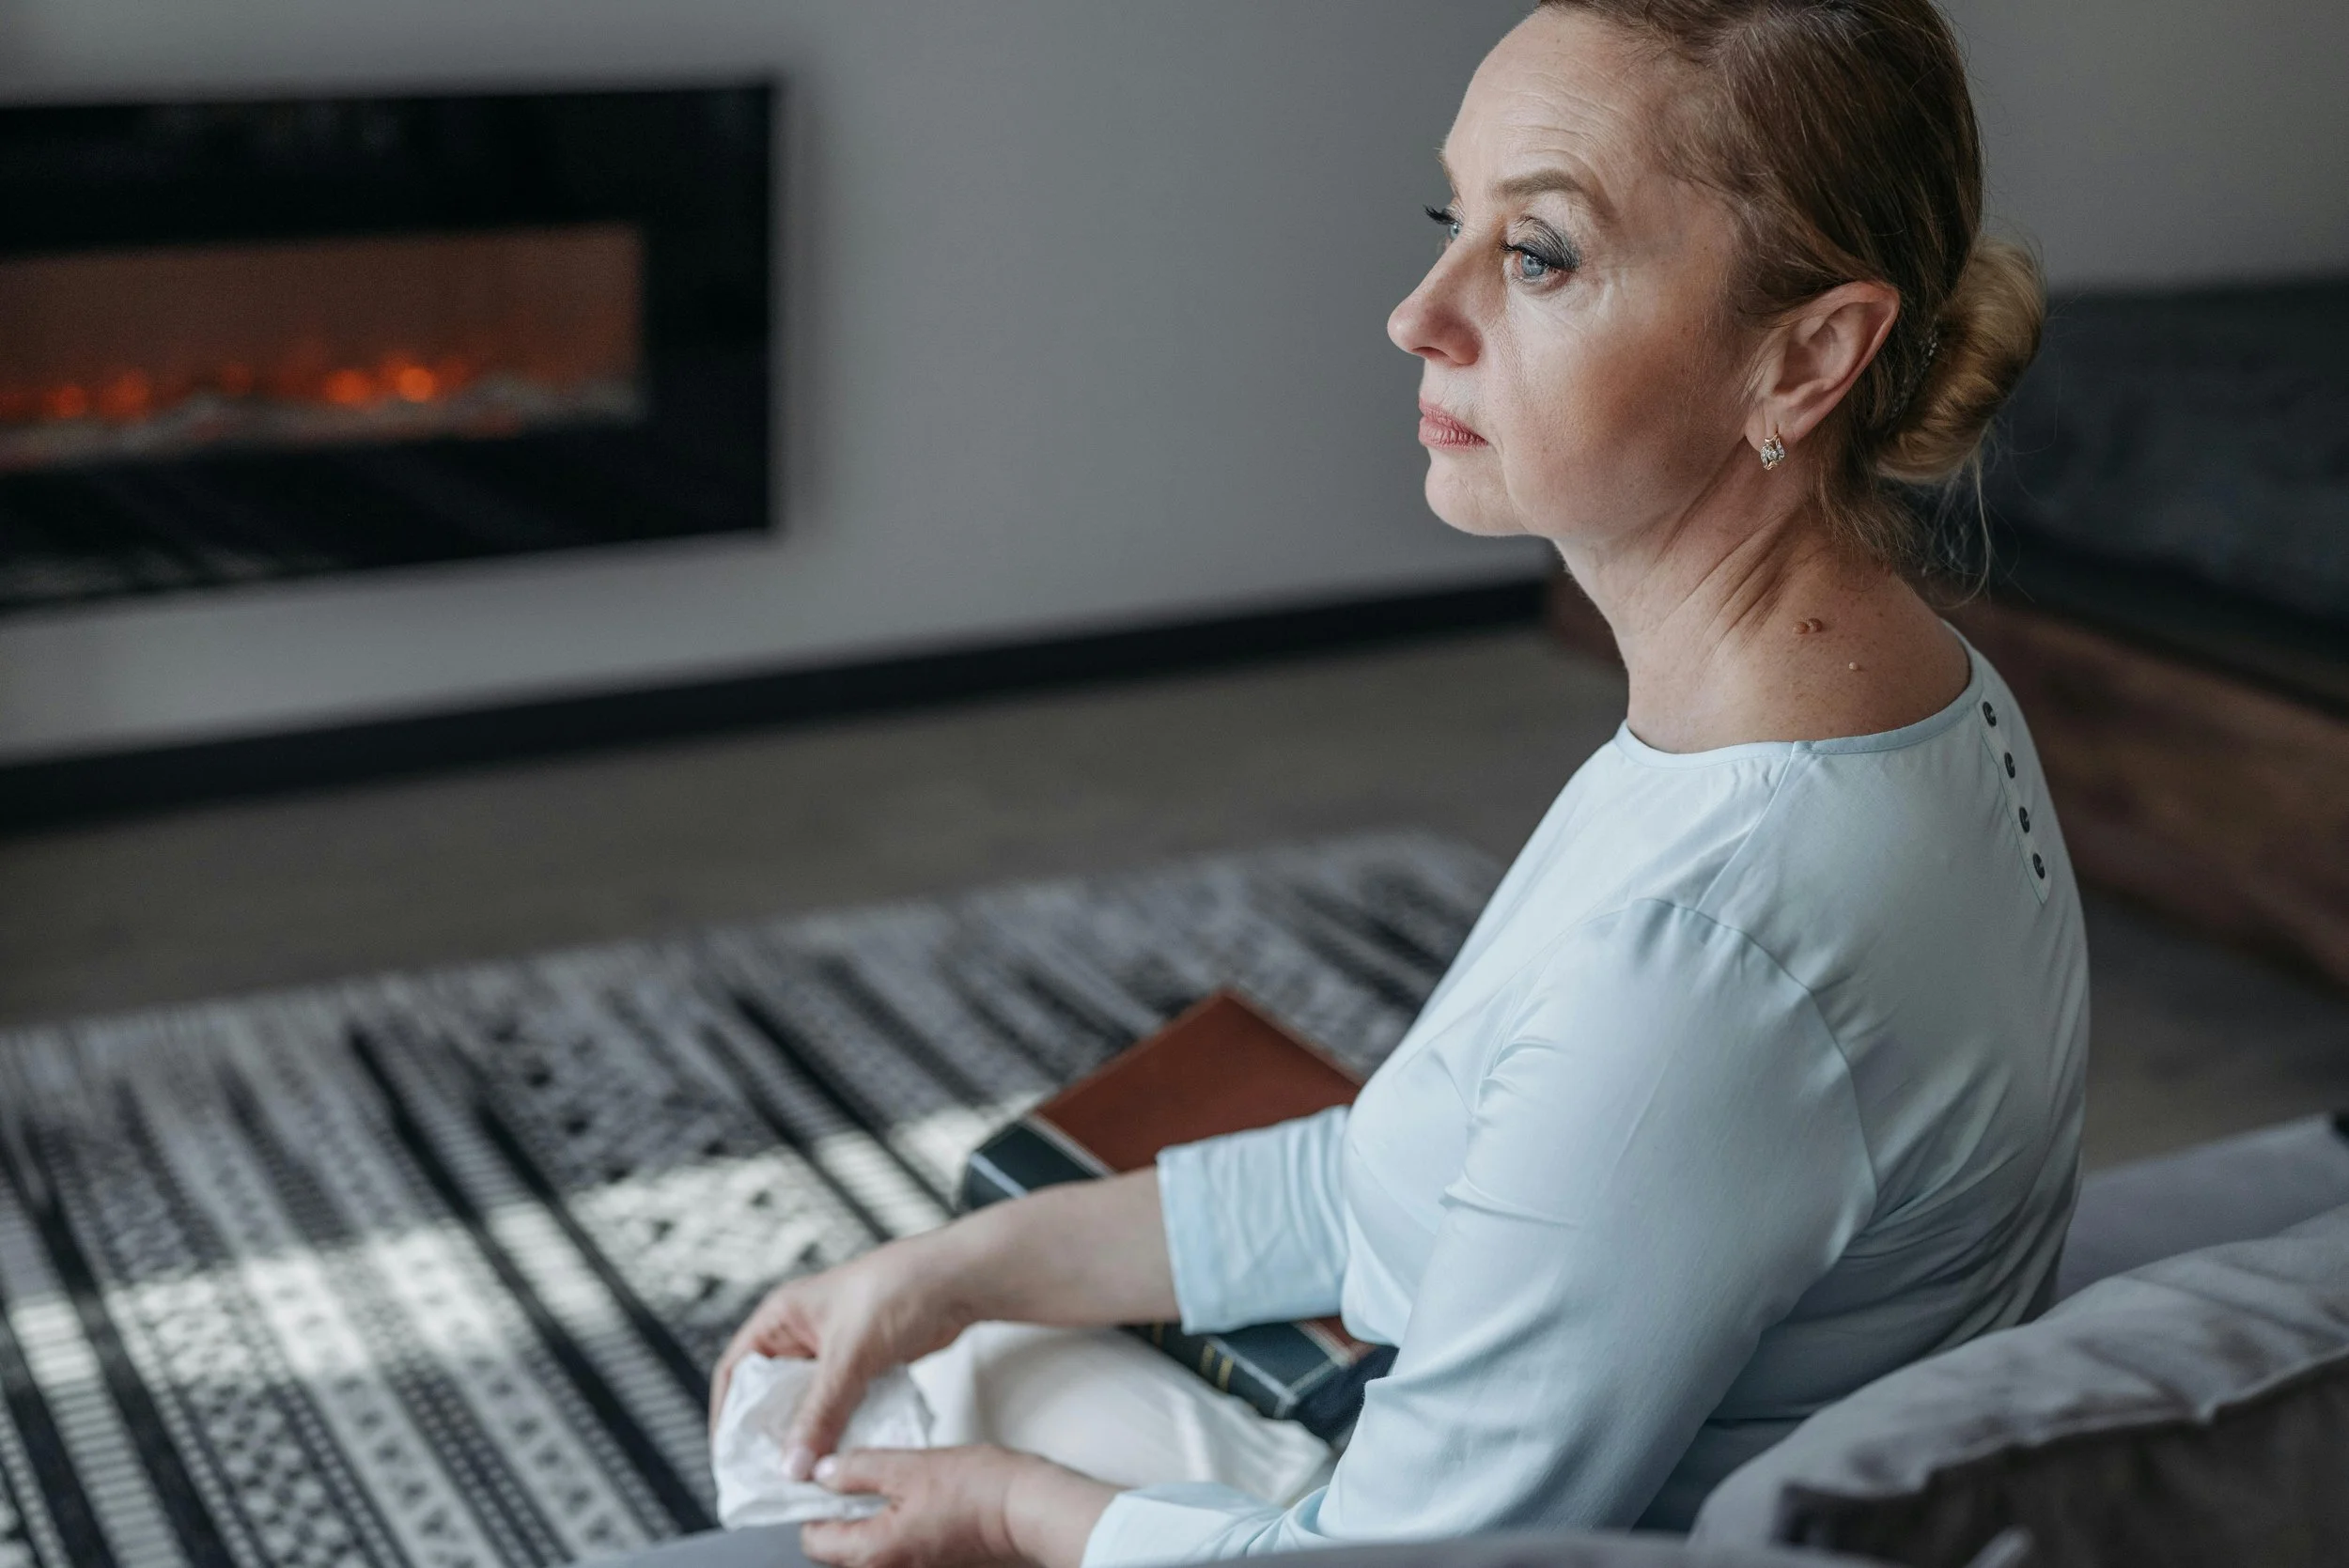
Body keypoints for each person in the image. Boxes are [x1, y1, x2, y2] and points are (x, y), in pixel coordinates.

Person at [710, 2, 2088, 1563]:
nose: (1418, 314)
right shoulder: (1894, 702)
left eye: (1542, 254)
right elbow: (1400, 1184)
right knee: (938, 1339)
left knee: (841, 1442)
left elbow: (1394, 1562)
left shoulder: (1717, 941)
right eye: (1457, 219)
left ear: (1810, 354)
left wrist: (1016, 1513)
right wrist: (956, 1265)